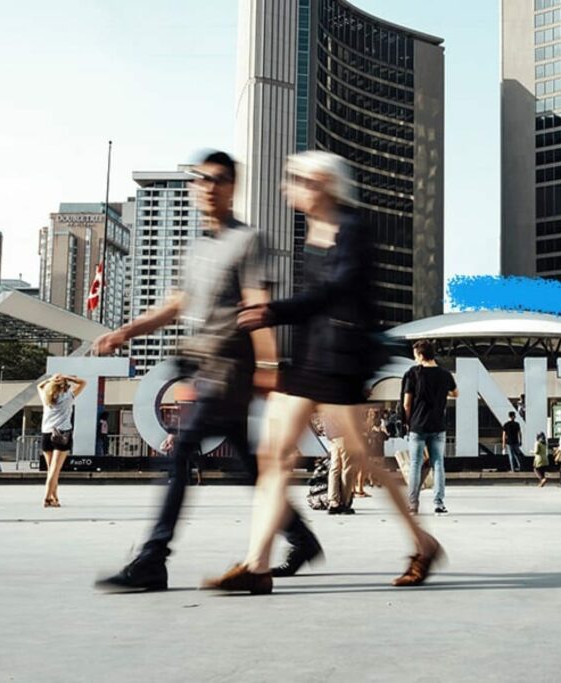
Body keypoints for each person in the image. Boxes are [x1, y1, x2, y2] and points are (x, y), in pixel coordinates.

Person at [203, 151, 442, 594]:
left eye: (296, 178)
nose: (286, 186)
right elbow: (317, 302)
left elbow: (335, 293)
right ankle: (256, 565)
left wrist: (271, 311)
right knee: (274, 455)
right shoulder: (313, 232)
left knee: (365, 460)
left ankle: (423, 543)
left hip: (340, 363)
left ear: (322, 184)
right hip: (310, 359)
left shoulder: (353, 229)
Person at [94, 150, 322, 592]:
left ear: (233, 186)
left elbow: (258, 304)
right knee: (247, 467)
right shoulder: (196, 247)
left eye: (218, 179)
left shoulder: (248, 240)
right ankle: (301, 536)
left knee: (180, 453)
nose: (208, 187)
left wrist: (270, 369)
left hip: (231, 370)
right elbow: (177, 304)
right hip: (202, 368)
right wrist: (127, 330)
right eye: (201, 179)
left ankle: (152, 558)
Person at [403, 339, 458, 516]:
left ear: (420, 355)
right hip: (438, 426)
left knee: (415, 465)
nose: (415, 360)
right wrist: (443, 392)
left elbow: (406, 404)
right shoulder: (444, 374)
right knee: (438, 465)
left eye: (415, 356)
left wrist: (409, 422)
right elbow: (456, 393)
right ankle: (439, 504)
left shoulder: (413, 373)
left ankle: (413, 505)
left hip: (417, 426)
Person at [36, 373, 87, 507]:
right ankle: (47, 498)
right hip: (62, 434)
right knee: (55, 469)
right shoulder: (68, 397)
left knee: (51, 470)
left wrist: (51, 379)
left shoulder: (46, 397)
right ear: (64, 385)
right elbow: (83, 382)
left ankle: (55, 498)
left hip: (47, 434)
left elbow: (39, 386)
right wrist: (67, 377)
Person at [323, 412, 355, 515]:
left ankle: (333, 502)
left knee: (335, 468)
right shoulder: (343, 398)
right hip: (345, 435)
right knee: (347, 469)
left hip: (333, 436)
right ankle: (345, 503)